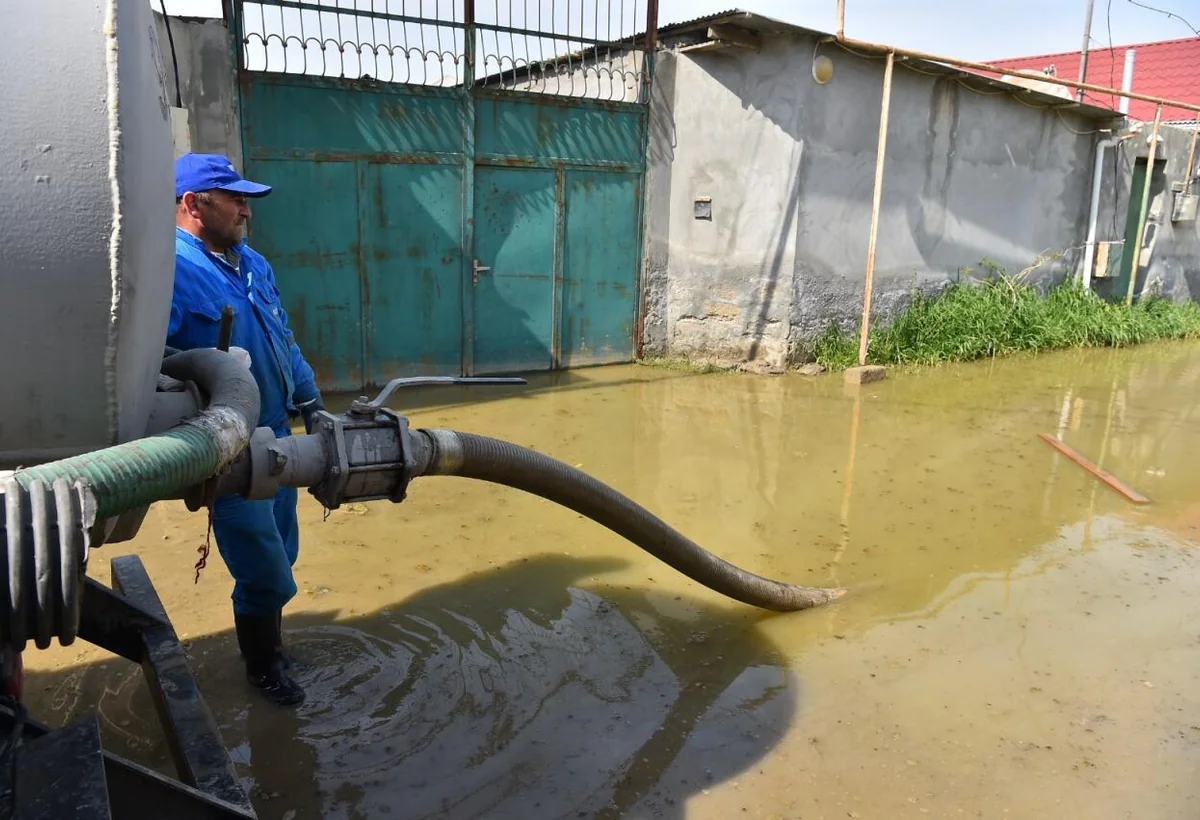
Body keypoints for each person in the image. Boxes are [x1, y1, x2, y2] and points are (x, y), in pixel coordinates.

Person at [169, 153, 324, 707]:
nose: (245, 210)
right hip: (228, 448)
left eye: (246, 199)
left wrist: (311, 401)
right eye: (233, 199)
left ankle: (270, 648)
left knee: (284, 549)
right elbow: (152, 366)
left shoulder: (253, 263)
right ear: (192, 204)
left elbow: (283, 338)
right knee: (264, 569)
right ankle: (262, 670)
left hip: (278, 434)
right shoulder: (169, 270)